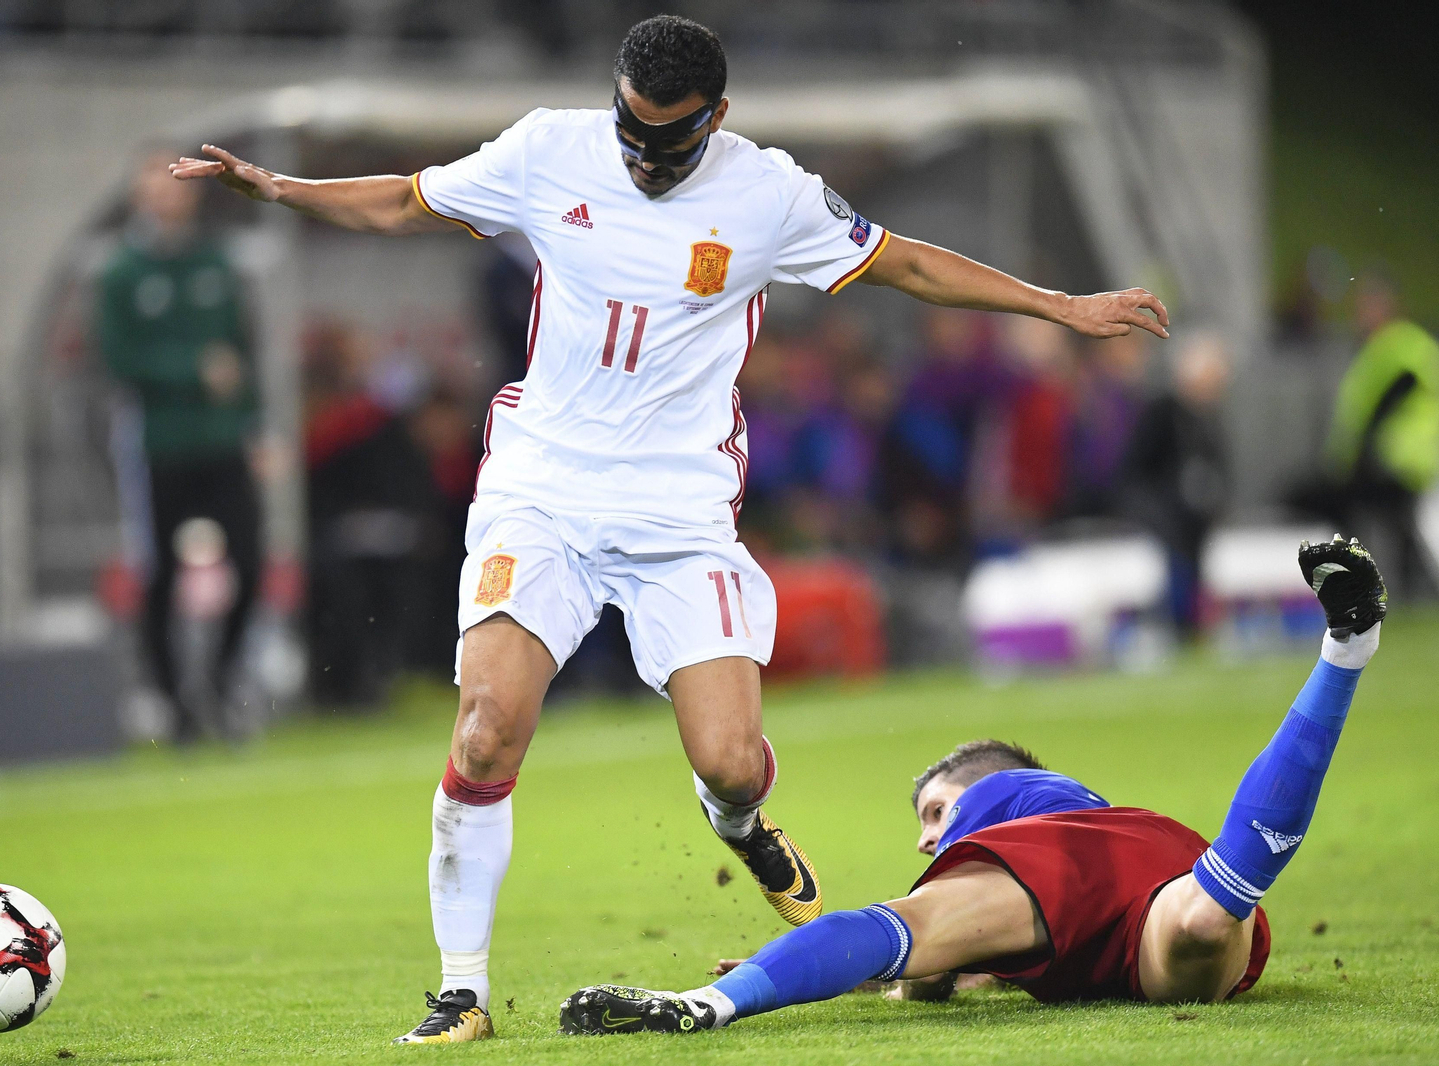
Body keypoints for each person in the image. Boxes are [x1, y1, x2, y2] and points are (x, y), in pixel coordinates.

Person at [171, 15, 1171, 1044]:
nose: (644, 161)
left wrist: (1062, 307)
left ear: (717, 120)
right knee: (482, 731)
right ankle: (460, 990)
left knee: (733, 758)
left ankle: (738, 822)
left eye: (669, 144)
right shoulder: (547, 150)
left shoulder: (768, 194)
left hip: (678, 506)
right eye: (630, 135)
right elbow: (405, 199)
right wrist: (282, 192)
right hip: (543, 486)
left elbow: (903, 264)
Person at [559, 534, 1386, 1035]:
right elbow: (982, 960)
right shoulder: (1083, 826)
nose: (927, 838)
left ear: (989, 785)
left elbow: (921, 967)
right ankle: (1344, 652)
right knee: (1207, 917)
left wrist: (848, 968)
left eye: (933, 811)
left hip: (1072, 873)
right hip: (1155, 885)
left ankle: (713, 1004)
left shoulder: (1003, 801)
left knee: (894, 927)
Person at [98, 150, 263, 743]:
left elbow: (245, 349)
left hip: (222, 441)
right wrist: (192, 370)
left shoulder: (215, 262)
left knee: (251, 560)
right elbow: (117, 360)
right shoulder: (121, 273)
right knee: (160, 574)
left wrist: (253, 421)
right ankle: (173, 705)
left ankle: (221, 681)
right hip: (158, 445)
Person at [1310, 272, 1439, 596]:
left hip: (1398, 454)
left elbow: (1386, 402)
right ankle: (1411, 588)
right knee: (1398, 525)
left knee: (1389, 521)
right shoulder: (1392, 344)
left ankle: (1380, 585)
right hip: (1400, 455)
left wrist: (1358, 454)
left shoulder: (1395, 344)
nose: (1360, 317)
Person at [1120, 331, 1231, 635]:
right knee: (1174, 562)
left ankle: (1192, 626)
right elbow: (1137, 469)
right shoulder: (1162, 412)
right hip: (1160, 512)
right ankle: (1173, 625)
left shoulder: (1207, 419)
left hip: (1193, 517)